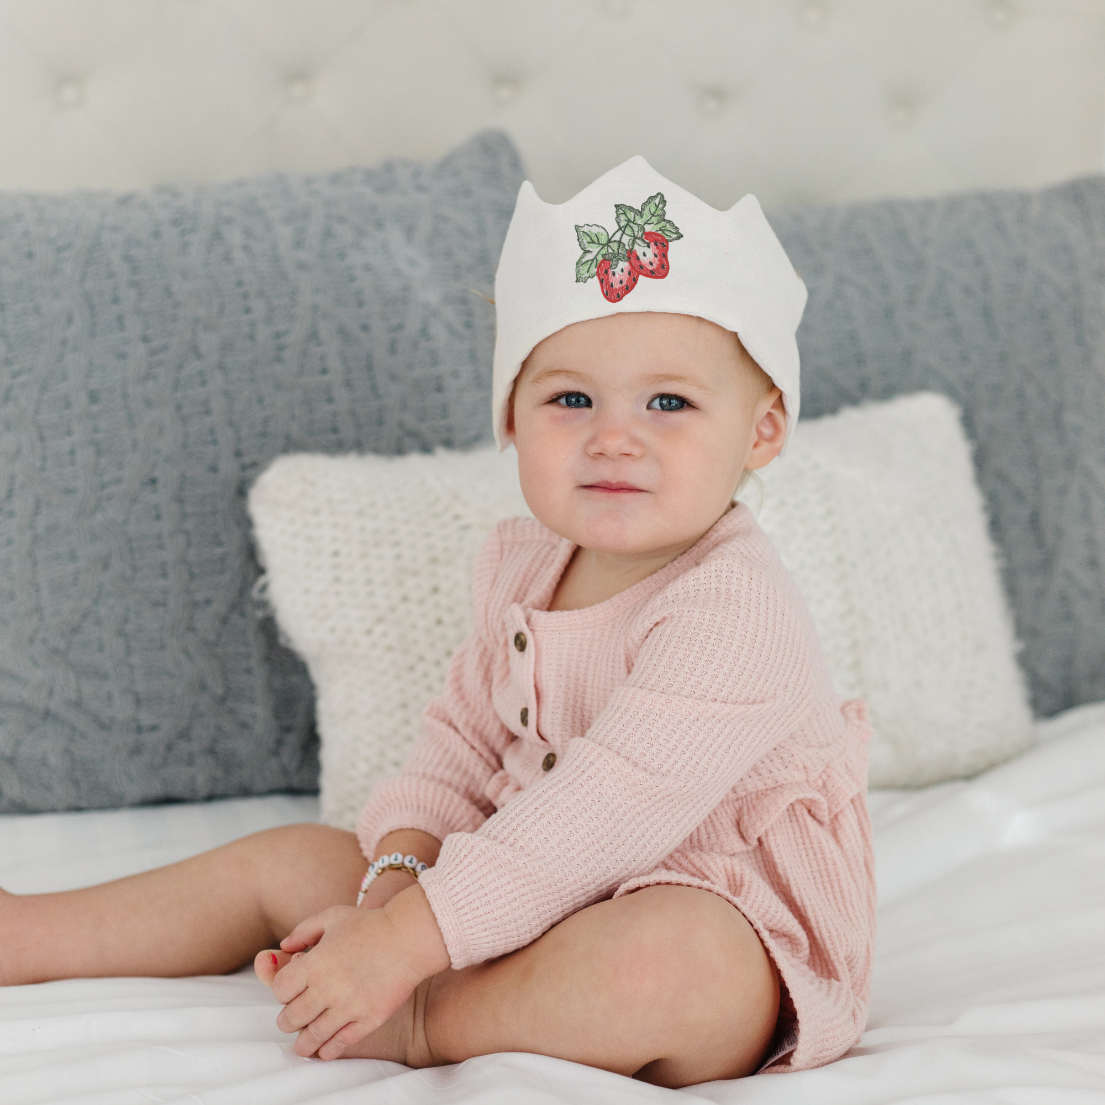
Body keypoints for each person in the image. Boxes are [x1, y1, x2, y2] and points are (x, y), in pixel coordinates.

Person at [0, 158, 875, 1089]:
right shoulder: (523, 565)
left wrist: (401, 954)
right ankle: (34, 932)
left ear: (762, 431)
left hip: (710, 912)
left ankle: (429, 1021)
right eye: (569, 398)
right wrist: (394, 883)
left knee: (670, 963)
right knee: (292, 860)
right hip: (501, 892)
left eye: (670, 402)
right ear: (509, 417)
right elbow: (458, 746)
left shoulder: (734, 608)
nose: (614, 436)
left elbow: (604, 811)